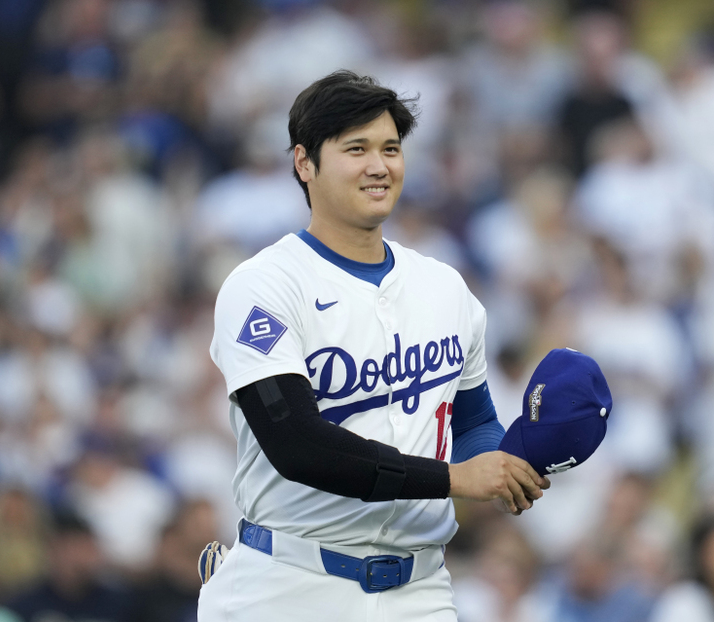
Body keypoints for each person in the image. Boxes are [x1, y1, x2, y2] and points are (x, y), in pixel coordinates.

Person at [198, 70, 549, 621]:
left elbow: (474, 421)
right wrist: (458, 479)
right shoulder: (263, 285)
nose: (379, 165)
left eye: (391, 148)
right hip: (289, 584)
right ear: (303, 163)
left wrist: (507, 464)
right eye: (355, 148)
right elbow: (298, 445)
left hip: (419, 589)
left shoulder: (444, 287)